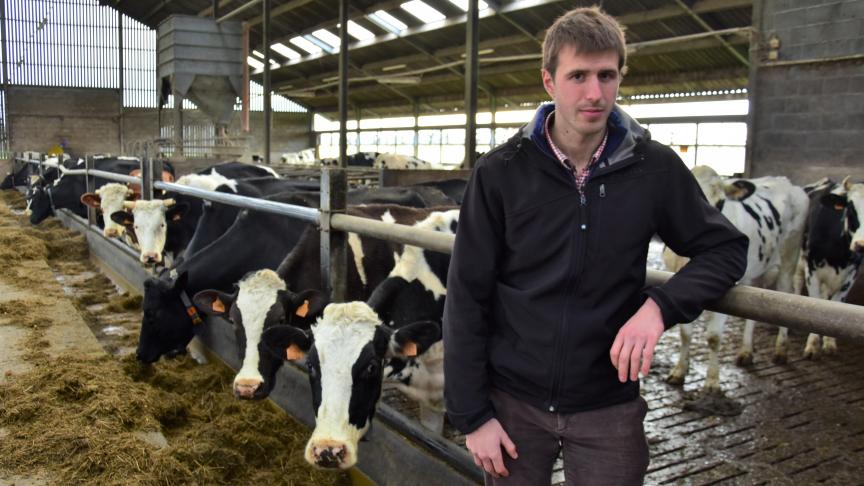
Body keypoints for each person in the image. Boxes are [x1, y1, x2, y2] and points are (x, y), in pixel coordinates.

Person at [442, 6, 748, 485]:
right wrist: (472, 415)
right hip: (513, 402)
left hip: (608, 404)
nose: (594, 92)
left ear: (621, 77)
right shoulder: (501, 171)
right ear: (549, 81)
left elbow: (725, 249)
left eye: (607, 75)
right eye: (578, 75)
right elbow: (466, 295)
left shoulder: (654, 168)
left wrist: (659, 307)